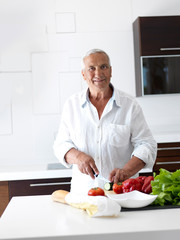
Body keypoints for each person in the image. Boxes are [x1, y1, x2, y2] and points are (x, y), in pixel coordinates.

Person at [53, 49, 157, 194]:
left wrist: (127, 171)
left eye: (103, 67)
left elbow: (147, 145)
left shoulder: (130, 105)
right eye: (91, 68)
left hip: (123, 191)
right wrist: (78, 157)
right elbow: (61, 145)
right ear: (83, 74)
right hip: (84, 193)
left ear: (110, 71)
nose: (98, 73)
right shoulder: (71, 105)